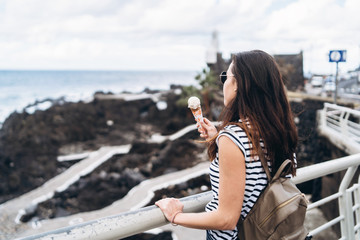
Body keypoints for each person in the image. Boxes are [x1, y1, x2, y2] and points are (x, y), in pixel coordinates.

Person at [155, 50, 298, 239]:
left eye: (225, 76)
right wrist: (218, 140)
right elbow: (254, 175)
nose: (223, 83)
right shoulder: (279, 130)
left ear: (238, 84)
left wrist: (175, 216)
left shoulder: (234, 137)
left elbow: (226, 219)